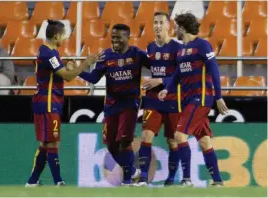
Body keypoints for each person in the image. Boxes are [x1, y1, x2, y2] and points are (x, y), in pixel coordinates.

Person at [25, 19, 101, 187]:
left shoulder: (48, 52)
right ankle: (58, 181)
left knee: (46, 143)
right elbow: (67, 76)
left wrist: (69, 66)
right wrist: (85, 64)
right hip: (48, 103)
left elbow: (61, 73)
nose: (65, 39)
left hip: (48, 102)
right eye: (64, 36)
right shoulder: (49, 54)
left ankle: (32, 181)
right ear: (57, 35)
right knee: (52, 142)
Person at [158, 12, 228, 186]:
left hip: (201, 98)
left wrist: (218, 96)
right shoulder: (182, 49)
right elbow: (177, 74)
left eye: (176, 26)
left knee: (179, 135)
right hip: (189, 100)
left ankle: (186, 179)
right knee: (204, 141)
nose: (174, 29)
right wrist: (167, 90)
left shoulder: (203, 45)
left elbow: (214, 70)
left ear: (182, 27)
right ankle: (218, 181)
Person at [78, 24, 150, 186]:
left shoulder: (137, 54)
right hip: (111, 104)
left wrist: (162, 81)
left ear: (127, 38)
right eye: (112, 37)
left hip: (130, 103)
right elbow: (94, 79)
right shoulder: (106, 56)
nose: (114, 40)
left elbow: (157, 68)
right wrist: (77, 71)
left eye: (118, 37)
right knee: (111, 145)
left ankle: (126, 182)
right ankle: (132, 171)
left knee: (124, 142)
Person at [136, 12, 192, 187]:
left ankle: (171, 179)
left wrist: (159, 81)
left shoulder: (177, 48)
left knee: (173, 140)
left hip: (173, 98)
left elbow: (183, 76)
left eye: (161, 22)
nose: (158, 25)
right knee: (146, 135)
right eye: (155, 22)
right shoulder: (150, 47)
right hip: (153, 99)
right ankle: (144, 178)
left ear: (169, 25)